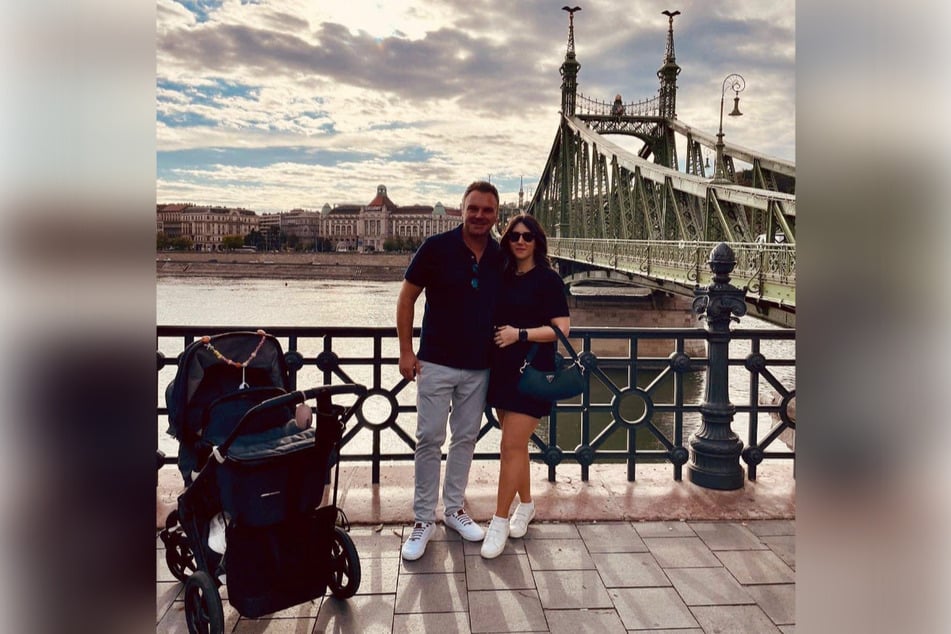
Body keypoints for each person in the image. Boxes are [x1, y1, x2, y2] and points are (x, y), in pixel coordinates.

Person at [397, 181, 502, 560]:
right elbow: (407, 297)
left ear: (496, 214)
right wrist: (406, 350)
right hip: (436, 362)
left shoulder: (500, 254)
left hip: (479, 366)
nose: (479, 215)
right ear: (461, 209)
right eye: (473, 208)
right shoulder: (436, 247)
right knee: (428, 438)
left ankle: (454, 509)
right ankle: (423, 518)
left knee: (466, 438)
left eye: (487, 210)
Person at [481, 214, 570, 559]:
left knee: (509, 445)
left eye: (527, 236)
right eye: (514, 236)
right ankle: (527, 505)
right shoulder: (502, 277)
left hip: (534, 372)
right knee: (516, 448)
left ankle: (499, 520)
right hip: (503, 369)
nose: (520, 241)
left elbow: (562, 330)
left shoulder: (548, 280)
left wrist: (519, 333)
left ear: (537, 241)